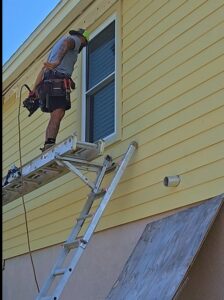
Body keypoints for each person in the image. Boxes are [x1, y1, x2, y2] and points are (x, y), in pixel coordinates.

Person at [29, 28, 89, 152]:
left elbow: (44, 69)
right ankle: (49, 146)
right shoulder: (76, 40)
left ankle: (48, 144)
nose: (82, 46)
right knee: (58, 113)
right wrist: (58, 61)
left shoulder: (59, 46)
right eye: (84, 44)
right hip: (56, 82)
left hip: (47, 82)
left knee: (55, 114)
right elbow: (67, 43)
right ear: (83, 39)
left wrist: (34, 91)